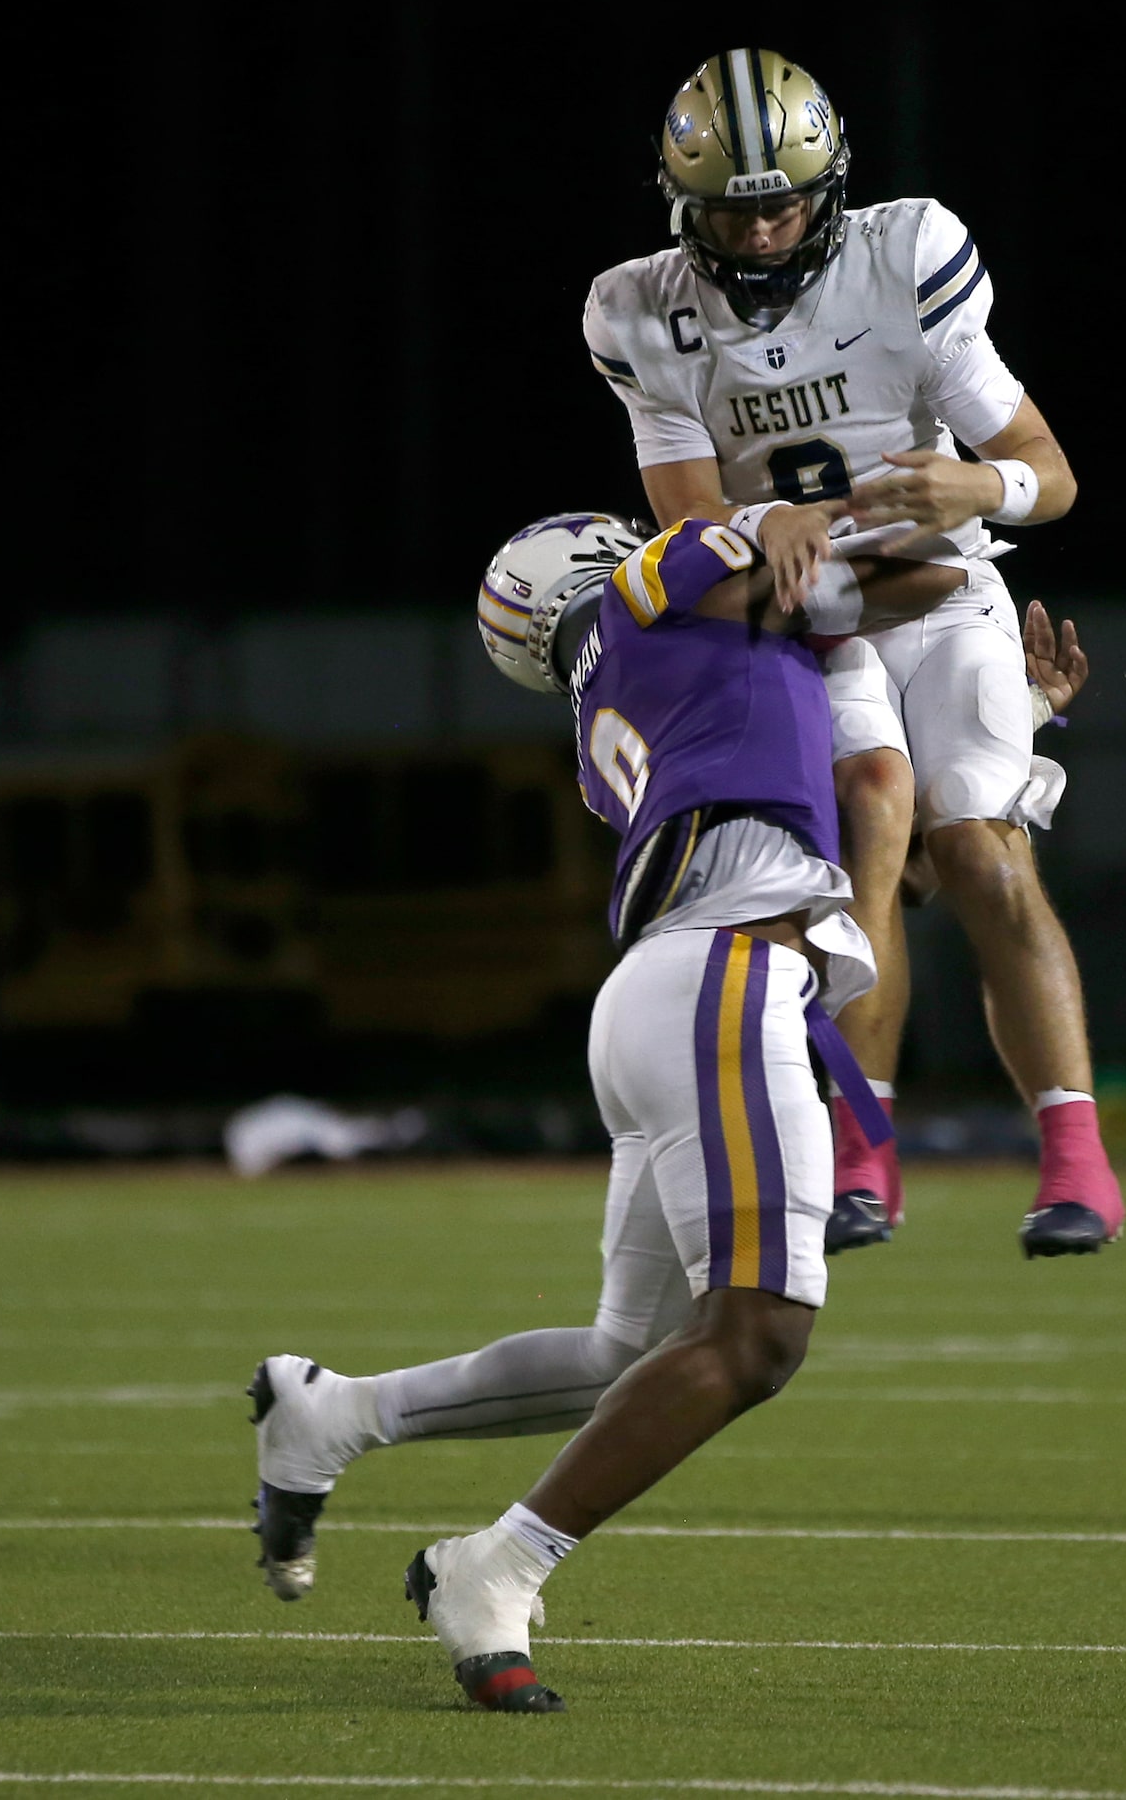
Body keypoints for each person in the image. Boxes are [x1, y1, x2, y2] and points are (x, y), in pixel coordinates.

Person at [251, 511, 959, 1712]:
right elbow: (923, 574)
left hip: (674, 992)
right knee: (758, 1336)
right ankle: (497, 1565)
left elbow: (890, 856)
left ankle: (336, 1414)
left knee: (629, 1358)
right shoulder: (652, 592)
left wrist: (1004, 742)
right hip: (721, 981)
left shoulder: (621, 713)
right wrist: (823, 515)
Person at [582, 48, 1122, 1258]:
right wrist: (752, 520)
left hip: (941, 592)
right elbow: (682, 529)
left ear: (829, 188)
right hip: (812, 609)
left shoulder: (908, 254)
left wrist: (976, 478)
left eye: (784, 200)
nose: (766, 229)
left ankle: (1076, 1157)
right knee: (876, 809)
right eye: (736, 207)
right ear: (685, 206)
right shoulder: (641, 310)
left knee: (978, 848)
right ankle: (863, 1151)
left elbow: (1054, 476)